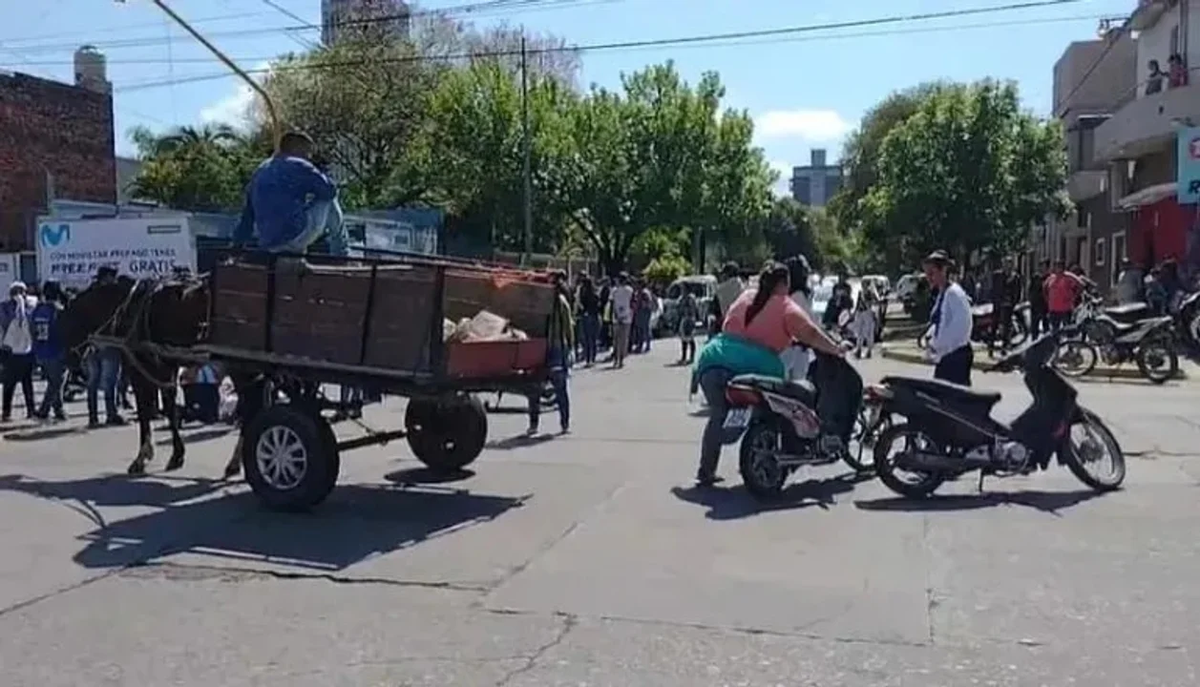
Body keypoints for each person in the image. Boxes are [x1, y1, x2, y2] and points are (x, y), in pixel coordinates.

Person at [690, 261, 846, 487]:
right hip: (749, 370)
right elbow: (811, 334)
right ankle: (779, 454)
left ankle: (706, 471)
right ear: (785, 284)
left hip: (710, 362)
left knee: (717, 415)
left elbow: (729, 325)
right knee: (782, 404)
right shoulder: (786, 306)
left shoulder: (745, 297)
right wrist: (836, 348)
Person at [232, 131, 350, 257]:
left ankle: (293, 252)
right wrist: (321, 172)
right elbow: (329, 190)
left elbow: (247, 217)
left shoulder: (259, 171)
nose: (309, 157)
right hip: (295, 235)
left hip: (268, 243)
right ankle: (342, 254)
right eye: (307, 151)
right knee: (329, 199)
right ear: (296, 148)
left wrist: (236, 247)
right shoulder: (299, 164)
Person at [528, 272, 573, 435]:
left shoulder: (537, 302)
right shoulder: (562, 303)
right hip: (557, 348)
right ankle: (564, 423)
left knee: (534, 389)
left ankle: (534, 424)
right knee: (561, 389)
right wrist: (570, 349)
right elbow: (568, 328)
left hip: (537, 347)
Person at [923, 251, 974, 386]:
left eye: (932, 273)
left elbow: (962, 327)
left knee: (953, 401)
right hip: (947, 356)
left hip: (956, 356)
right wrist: (930, 338)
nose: (929, 277)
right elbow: (940, 323)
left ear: (943, 271)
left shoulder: (954, 294)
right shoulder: (942, 294)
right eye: (927, 274)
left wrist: (937, 345)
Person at [86, 267, 125, 428]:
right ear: (107, 278)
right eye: (112, 277)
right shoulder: (111, 297)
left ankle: (93, 417)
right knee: (110, 381)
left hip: (90, 343)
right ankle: (111, 414)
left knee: (93, 381)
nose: (114, 281)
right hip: (109, 342)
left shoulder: (88, 295)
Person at [31, 281, 68, 422]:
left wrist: (35, 348)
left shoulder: (38, 309)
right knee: (56, 382)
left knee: (54, 381)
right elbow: (62, 332)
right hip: (55, 350)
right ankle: (44, 410)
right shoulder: (58, 310)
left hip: (41, 350)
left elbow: (32, 330)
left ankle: (58, 409)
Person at [0, 281, 37, 422]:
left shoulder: (30, 307)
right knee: (9, 383)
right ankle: (6, 412)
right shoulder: (4, 308)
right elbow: (5, 322)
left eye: (21, 291)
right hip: (10, 351)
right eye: (16, 291)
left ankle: (31, 410)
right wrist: (18, 306)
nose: (19, 294)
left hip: (26, 350)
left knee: (27, 382)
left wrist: (23, 305)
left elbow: (30, 323)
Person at [780, 255, 816, 381]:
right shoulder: (798, 296)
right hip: (795, 351)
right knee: (798, 390)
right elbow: (810, 325)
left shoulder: (785, 295)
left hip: (785, 351)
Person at [988, 259, 1021, 356]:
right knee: (994, 325)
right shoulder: (997, 275)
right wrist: (994, 300)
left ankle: (1004, 347)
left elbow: (1018, 291)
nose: (1007, 266)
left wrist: (1014, 302)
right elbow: (993, 288)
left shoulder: (1015, 277)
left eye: (1009, 264)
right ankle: (991, 346)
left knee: (1007, 327)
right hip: (998, 304)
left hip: (1008, 305)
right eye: (1006, 264)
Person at [1044, 260, 1082, 332]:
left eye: (1060, 267)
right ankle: (1056, 342)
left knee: (1068, 329)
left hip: (1065, 308)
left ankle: (1069, 342)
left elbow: (1080, 284)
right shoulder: (1051, 278)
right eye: (1056, 267)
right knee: (1055, 331)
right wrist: (1047, 299)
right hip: (1053, 309)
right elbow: (1044, 288)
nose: (1058, 269)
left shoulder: (1068, 276)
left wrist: (1074, 297)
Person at [710, 262, 745, 335]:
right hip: (743, 326)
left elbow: (715, 311)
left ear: (727, 274)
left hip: (726, 326)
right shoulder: (745, 288)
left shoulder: (719, 290)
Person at [609, 273, 634, 368]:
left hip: (616, 317)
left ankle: (616, 359)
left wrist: (613, 314)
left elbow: (611, 303)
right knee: (624, 340)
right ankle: (621, 360)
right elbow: (632, 304)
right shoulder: (630, 290)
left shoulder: (614, 291)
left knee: (616, 340)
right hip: (626, 317)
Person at [576, 276, 601, 366]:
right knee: (593, 339)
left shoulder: (583, 293)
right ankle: (593, 358)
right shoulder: (595, 293)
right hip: (595, 316)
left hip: (586, 316)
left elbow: (580, 304)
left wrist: (583, 310)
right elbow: (599, 305)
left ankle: (588, 359)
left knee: (587, 339)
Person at [676, 286, 701, 365]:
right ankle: (684, 357)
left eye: (683, 289)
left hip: (690, 318)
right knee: (684, 339)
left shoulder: (691, 298)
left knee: (690, 338)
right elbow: (679, 307)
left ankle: (692, 357)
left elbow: (693, 308)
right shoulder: (682, 297)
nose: (682, 290)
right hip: (684, 318)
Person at [1027, 260, 1049, 336]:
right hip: (1035, 304)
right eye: (1040, 266)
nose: (1041, 268)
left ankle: (1046, 344)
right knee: (1034, 325)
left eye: (1043, 266)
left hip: (1046, 305)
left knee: (1046, 325)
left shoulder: (1049, 277)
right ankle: (1034, 342)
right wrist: (1030, 299)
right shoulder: (1035, 277)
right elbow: (1030, 289)